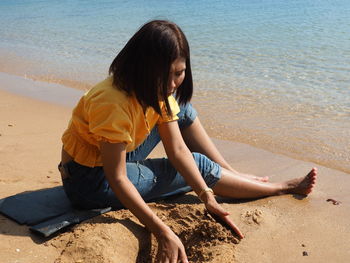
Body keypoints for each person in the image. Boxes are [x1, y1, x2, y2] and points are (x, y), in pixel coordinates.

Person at [59, 20, 317, 263]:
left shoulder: (154, 88)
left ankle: (232, 175)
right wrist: (163, 232)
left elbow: (178, 149)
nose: (172, 84)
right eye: (164, 76)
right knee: (200, 166)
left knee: (184, 111)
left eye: (179, 73)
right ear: (143, 68)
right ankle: (281, 187)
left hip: (113, 154)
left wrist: (206, 195)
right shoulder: (112, 102)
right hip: (90, 180)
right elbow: (117, 178)